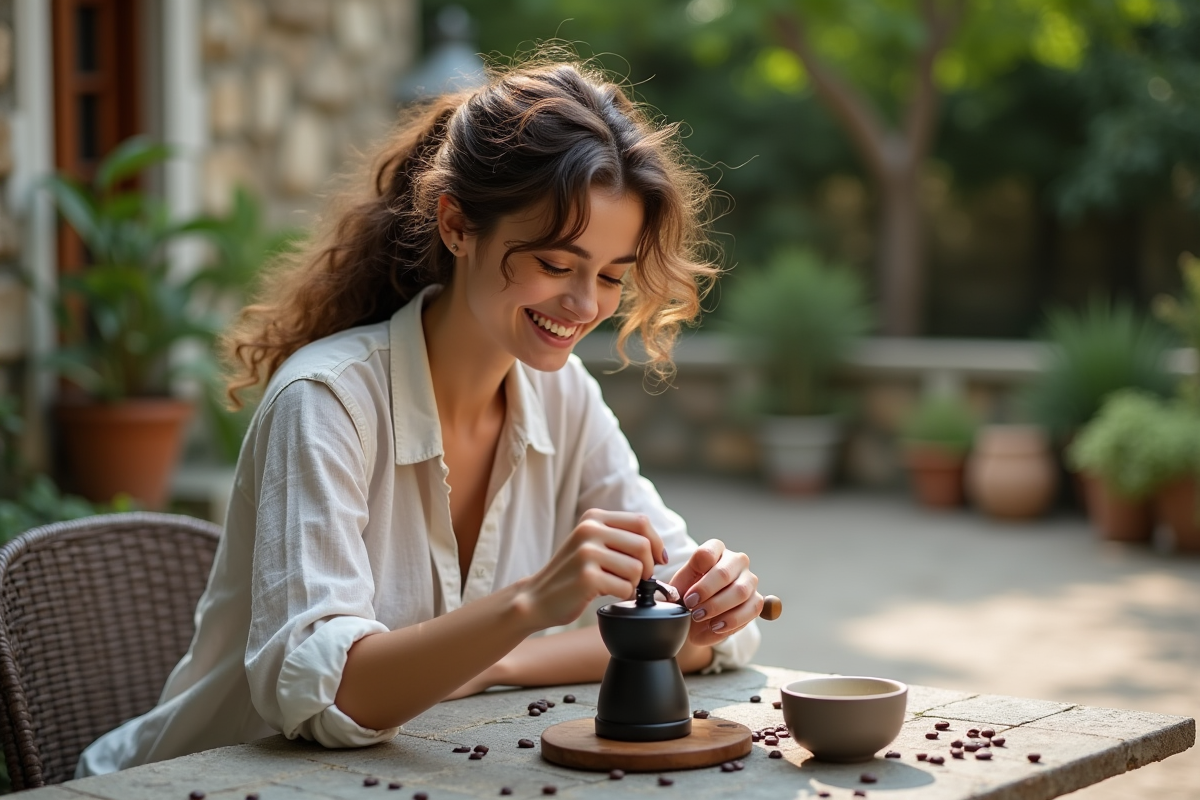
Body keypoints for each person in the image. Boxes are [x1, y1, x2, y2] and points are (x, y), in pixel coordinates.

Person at [75, 54, 762, 777]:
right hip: (187, 782)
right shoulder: (328, 401)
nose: (586, 305)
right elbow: (326, 698)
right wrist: (529, 605)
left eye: (612, 276)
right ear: (458, 225)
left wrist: (510, 659)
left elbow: (695, 634)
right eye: (558, 265)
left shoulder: (563, 398)